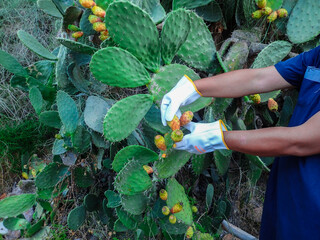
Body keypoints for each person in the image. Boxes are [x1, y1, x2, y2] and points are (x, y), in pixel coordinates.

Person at [160, 46, 320, 239]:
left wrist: (220, 137)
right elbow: (259, 78)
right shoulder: (317, 56)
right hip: (285, 190)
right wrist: (193, 88)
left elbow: (299, 141)